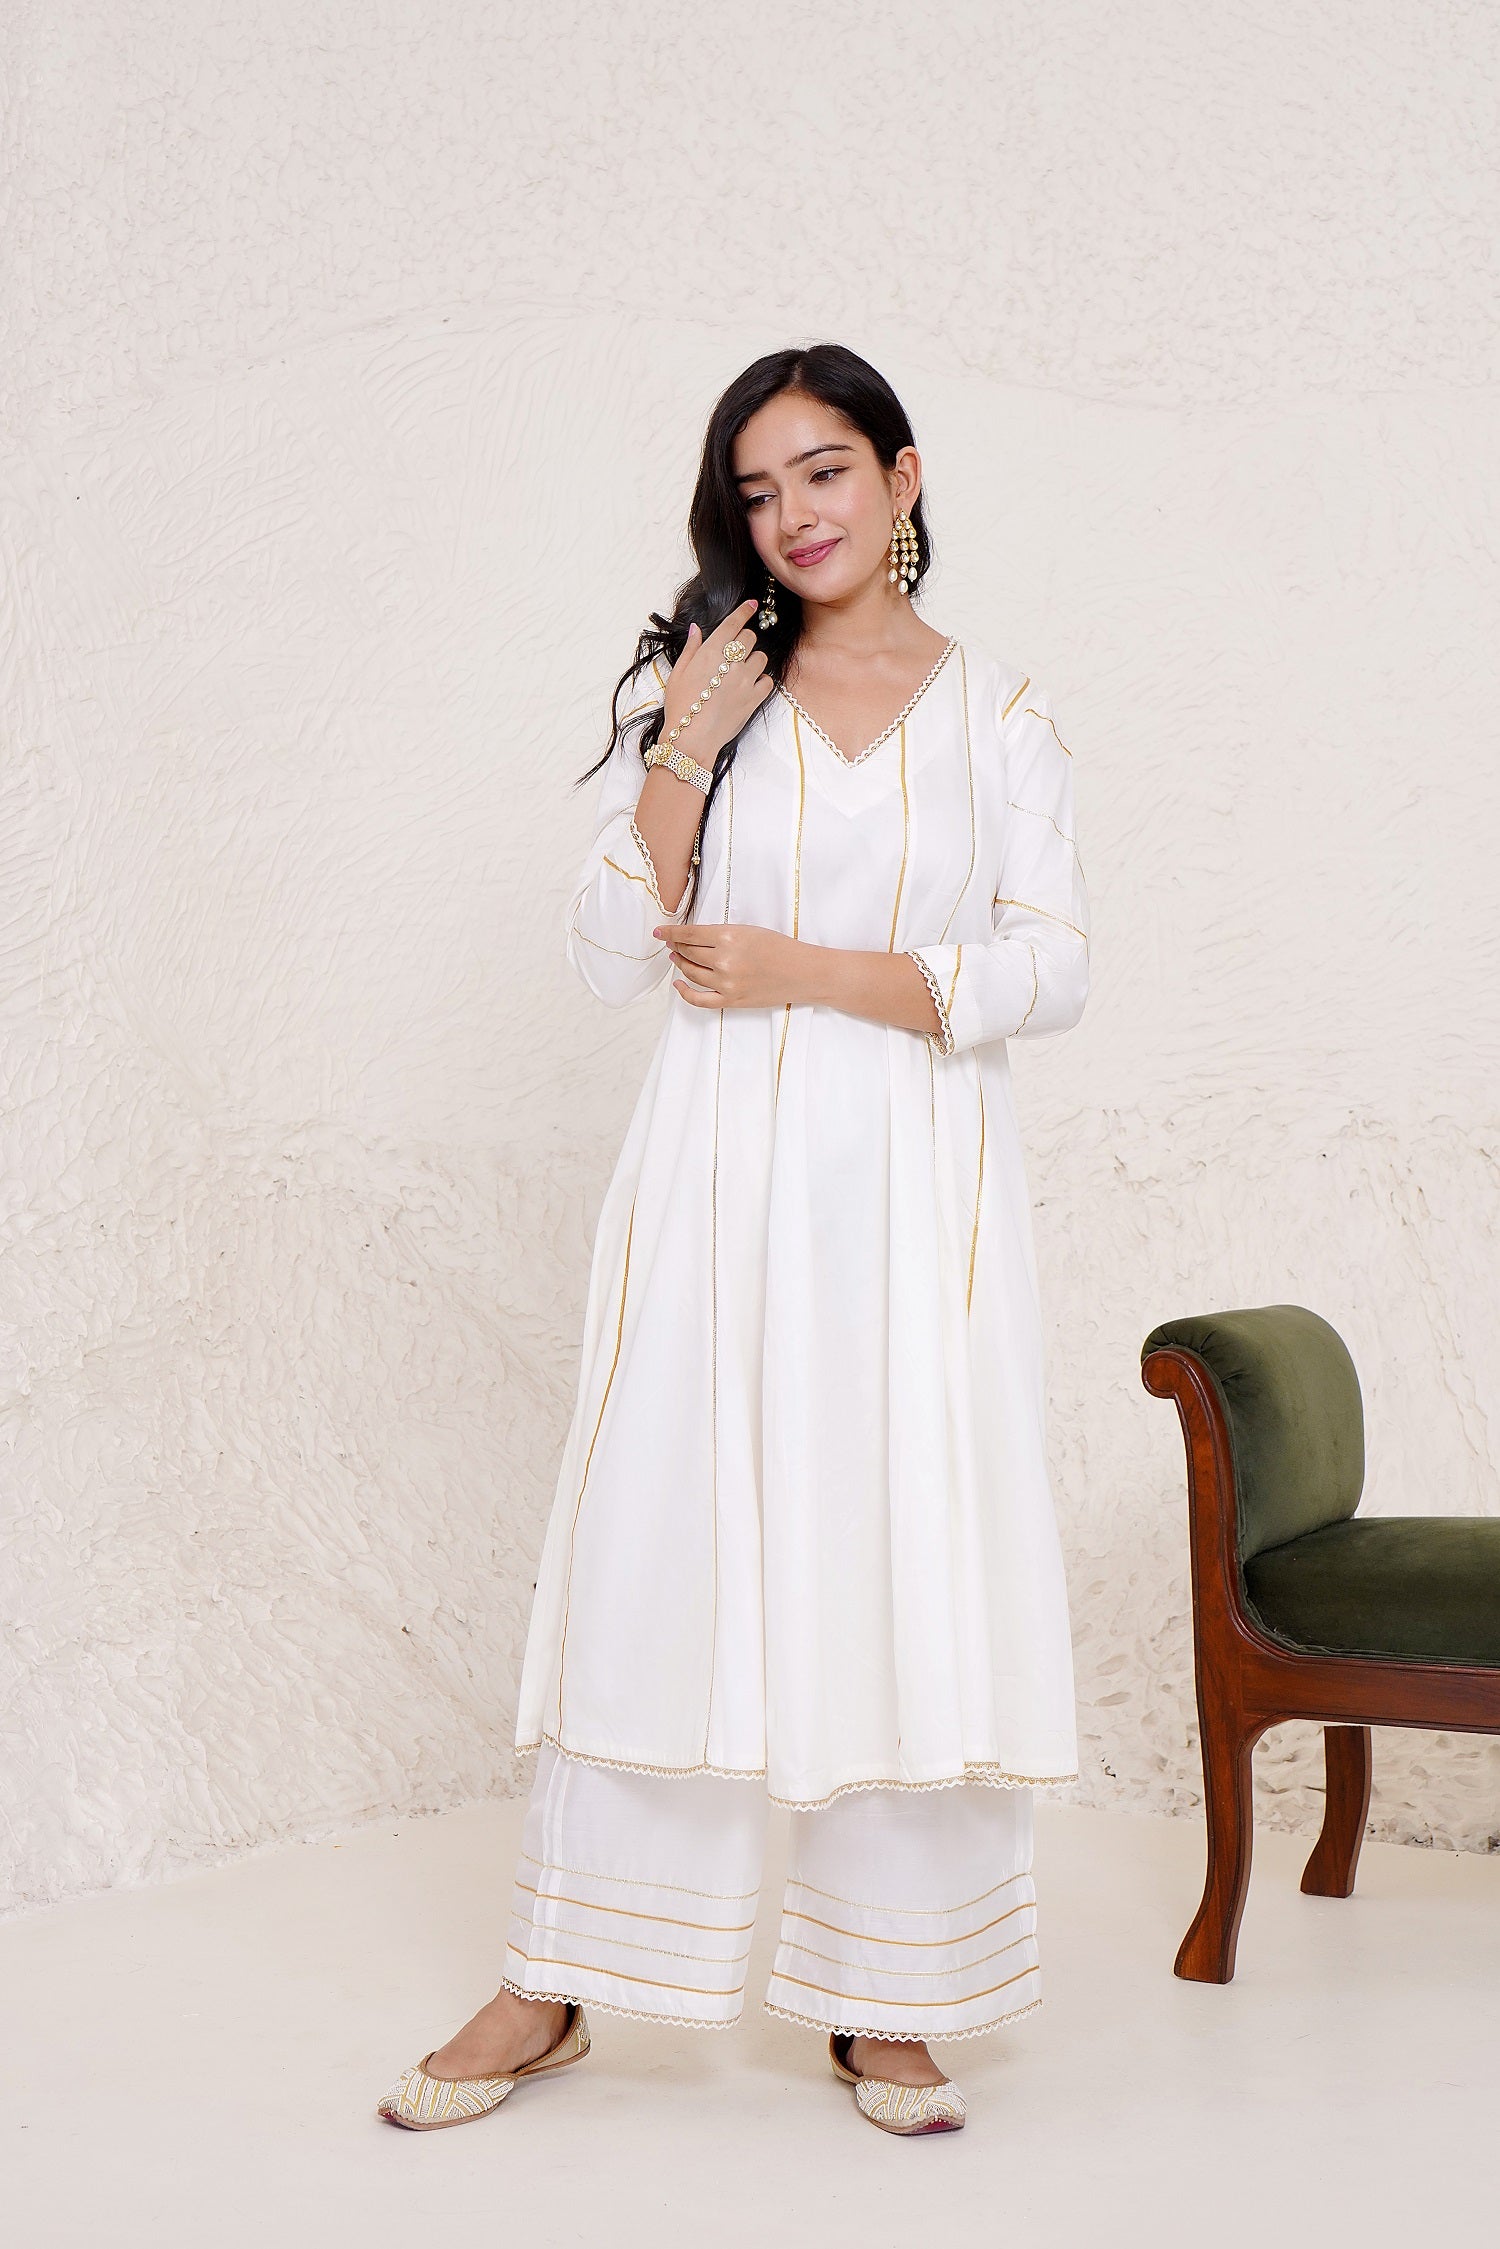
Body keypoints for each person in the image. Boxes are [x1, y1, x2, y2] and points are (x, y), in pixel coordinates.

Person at [377, 343, 1090, 2139]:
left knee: (898, 1547)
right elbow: (609, 955)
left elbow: (1050, 966)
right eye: (759, 492)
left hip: (917, 1199)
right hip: (713, 1180)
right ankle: (555, 1979)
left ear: (904, 477)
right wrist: (687, 740)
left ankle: (889, 1994)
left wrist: (803, 971)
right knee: (660, 1541)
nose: (793, 516)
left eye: (826, 472)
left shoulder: (999, 713)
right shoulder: (718, 688)